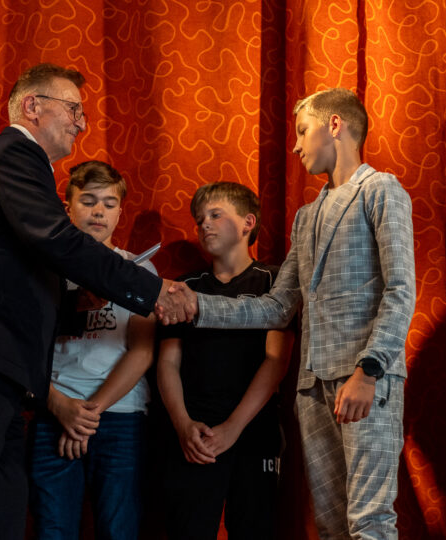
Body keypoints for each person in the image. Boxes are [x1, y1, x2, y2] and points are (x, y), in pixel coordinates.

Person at [0, 63, 193, 540]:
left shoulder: (22, 163)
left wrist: (73, 304)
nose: (82, 124)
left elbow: (18, 266)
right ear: (32, 106)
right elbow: (57, 240)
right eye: (74, 109)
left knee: (3, 505)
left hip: (3, 362)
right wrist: (154, 290)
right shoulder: (16, 154)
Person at [161, 88, 416, 539]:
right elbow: (277, 307)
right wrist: (198, 304)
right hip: (312, 388)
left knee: (369, 520)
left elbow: (400, 290)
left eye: (302, 131)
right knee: (331, 524)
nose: (296, 146)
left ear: (334, 125)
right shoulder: (306, 216)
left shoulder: (380, 190)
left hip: (365, 379)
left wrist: (370, 370)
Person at [157, 182, 295, 539]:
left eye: (215, 214)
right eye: (199, 219)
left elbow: (276, 360)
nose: (204, 224)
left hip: (254, 429)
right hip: (195, 432)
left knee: (254, 529)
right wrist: (183, 425)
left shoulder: (274, 282)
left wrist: (233, 427)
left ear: (248, 222)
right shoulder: (184, 286)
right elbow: (168, 364)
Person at [30, 160, 157, 540]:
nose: (99, 211)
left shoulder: (140, 270)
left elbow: (142, 351)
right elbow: (23, 350)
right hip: (53, 411)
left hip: (119, 415)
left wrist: (88, 414)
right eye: (88, 201)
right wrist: (60, 406)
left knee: (119, 530)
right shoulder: (40, 269)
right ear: (67, 206)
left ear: (120, 212)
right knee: (53, 530)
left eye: (109, 203)